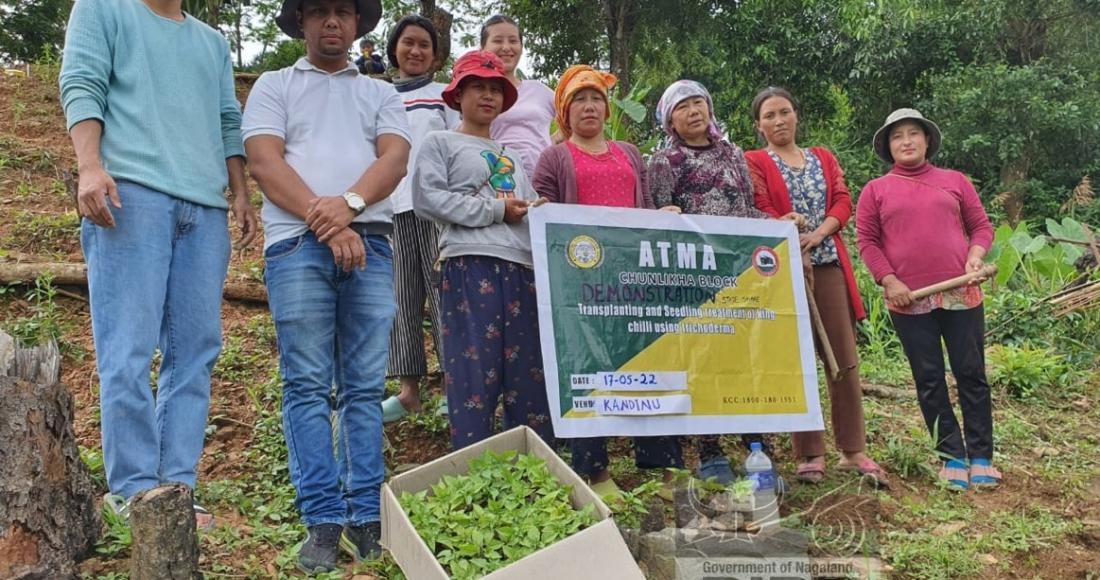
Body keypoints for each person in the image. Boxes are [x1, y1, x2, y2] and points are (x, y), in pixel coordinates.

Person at [59, 0, 257, 530]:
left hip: (206, 207)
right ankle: (132, 489)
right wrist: (89, 167)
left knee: (195, 351)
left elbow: (226, 116)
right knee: (127, 347)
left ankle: (176, 490)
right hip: (131, 194)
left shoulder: (211, 42)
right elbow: (81, 82)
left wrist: (239, 192)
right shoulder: (102, 9)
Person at [242, 0, 410, 571]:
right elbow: (264, 162)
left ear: (359, 24)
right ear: (302, 23)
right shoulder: (274, 84)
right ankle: (321, 522)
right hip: (295, 246)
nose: (332, 22)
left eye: (343, 11)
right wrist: (330, 220)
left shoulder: (379, 93)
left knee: (365, 388)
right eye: (319, 12)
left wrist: (351, 206)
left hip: (373, 244)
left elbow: (395, 160)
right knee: (307, 387)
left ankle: (367, 518)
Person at [532, 65, 683, 500]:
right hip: (582, 286)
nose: (589, 106)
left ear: (606, 107)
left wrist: (663, 217)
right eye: (579, 100)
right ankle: (595, 472)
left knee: (647, 363)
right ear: (564, 111)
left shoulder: (630, 153)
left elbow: (648, 206)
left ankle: (665, 467)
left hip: (635, 281)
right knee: (589, 371)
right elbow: (544, 218)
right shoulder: (555, 157)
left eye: (596, 98)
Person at [412, 50, 555, 450]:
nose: (488, 96)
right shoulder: (440, 143)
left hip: (521, 269)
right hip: (469, 264)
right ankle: (472, 474)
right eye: (478, 87)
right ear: (458, 95)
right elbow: (428, 200)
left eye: (496, 89)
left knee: (528, 377)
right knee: (473, 374)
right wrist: (496, 209)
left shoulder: (512, 156)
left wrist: (539, 212)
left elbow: (524, 208)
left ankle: (534, 474)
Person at [745, 87, 887, 487]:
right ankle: (809, 452)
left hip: (828, 266)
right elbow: (758, 205)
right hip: (784, 271)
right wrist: (788, 230)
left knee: (842, 357)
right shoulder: (754, 161)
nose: (778, 121)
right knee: (797, 359)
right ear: (759, 125)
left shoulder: (823, 157)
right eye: (769, 116)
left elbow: (842, 199)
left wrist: (820, 232)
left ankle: (853, 449)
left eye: (785, 112)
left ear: (796, 116)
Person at [856, 108, 999, 491]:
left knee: (971, 373)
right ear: (889, 146)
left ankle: (982, 455)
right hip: (909, 300)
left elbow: (981, 226)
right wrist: (889, 280)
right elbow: (867, 242)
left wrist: (975, 256)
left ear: (927, 140)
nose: (906, 141)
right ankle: (951, 456)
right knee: (930, 378)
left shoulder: (955, 181)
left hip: (960, 293)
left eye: (913, 133)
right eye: (897, 136)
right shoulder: (875, 190)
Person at [648, 80, 771, 485]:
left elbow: (747, 207)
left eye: (698, 102)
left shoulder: (733, 153)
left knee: (746, 355)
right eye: (682, 107)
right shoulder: (664, 161)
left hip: (739, 272)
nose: (693, 111)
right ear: (670, 119)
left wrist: (777, 227)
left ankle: (757, 445)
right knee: (702, 358)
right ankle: (710, 449)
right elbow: (660, 215)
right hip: (695, 276)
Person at [379, 14, 461, 423]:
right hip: (390, 210)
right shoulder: (376, 95)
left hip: (434, 210)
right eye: (408, 43)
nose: (415, 51)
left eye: (424, 45)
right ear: (394, 48)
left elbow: (456, 149)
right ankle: (409, 390)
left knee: (443, 295)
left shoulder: (444, 95)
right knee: (401, 299)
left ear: (435, 54)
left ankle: (452, 386)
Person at [480, 14, 557, 181]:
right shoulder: (474, 94)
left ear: (521, 47)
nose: (506, 47)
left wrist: (549, 144)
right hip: (495, 181)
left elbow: (574, 117)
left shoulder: (539, 91)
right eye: (498, 41)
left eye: (513, 41)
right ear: (482, 48)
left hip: (542, 181)